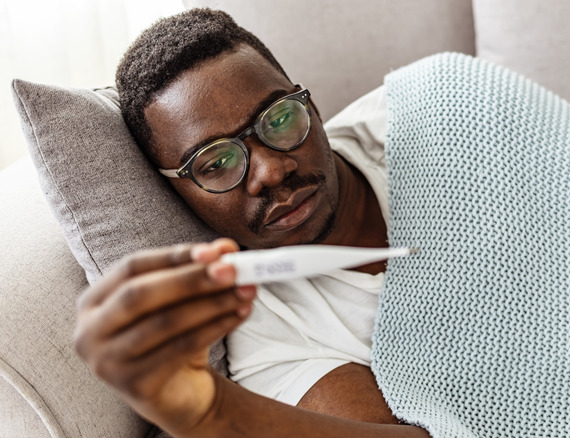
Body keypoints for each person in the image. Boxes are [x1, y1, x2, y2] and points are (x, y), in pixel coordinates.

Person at [72, 8, 429, 438]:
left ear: (310, 105)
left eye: (278, 119)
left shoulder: (431, 109)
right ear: (179, 194)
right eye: (217, 162)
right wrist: (210, 414)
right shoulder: (271, 339)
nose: (271, 172)